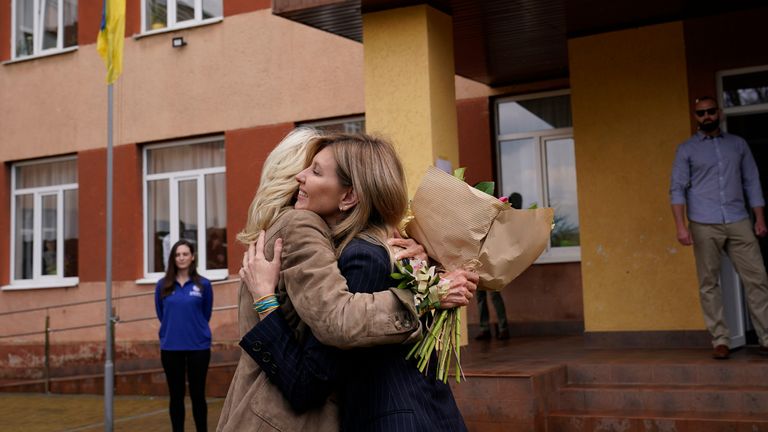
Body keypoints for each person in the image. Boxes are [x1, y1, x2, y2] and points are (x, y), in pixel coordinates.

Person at [217, 128, 477, 431]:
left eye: (315, 170)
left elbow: (334, 335)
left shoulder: (357, 249)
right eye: (307, 166)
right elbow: (332, 332)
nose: (302, 176)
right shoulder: (305, 225)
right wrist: (426, 293)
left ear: (349, 195)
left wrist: (423, 277)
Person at [670, 95, 768, 360]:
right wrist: (681, 226)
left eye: (711, 112)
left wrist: (760, 218)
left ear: (720, 113)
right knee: (709, 283)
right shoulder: (686, 149)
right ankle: (720, 339)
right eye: (701, 113)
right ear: (695, 116)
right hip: (703, 222)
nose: (706, 117)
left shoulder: (738, 145)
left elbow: (752, 181)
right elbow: (677, 189)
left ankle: (766, 337)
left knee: (757, 279)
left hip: (738, 219)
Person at [154, 239, 213, 432]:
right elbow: (161, 314)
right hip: (171, 347)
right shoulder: (162, 285)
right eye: (178, 254)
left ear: (192, 257)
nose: (181, 258)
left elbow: (206, 313)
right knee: (176, 396)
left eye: (185, 254)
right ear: (173, 258)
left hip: (199, 347)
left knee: (198, 396)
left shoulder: (204, 284)